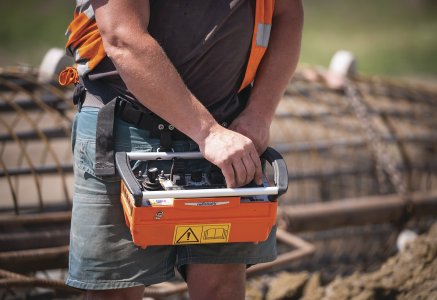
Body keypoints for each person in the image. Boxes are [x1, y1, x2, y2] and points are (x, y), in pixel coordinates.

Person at [62, 0, 303, 299]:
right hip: (125, 130)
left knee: (220, 288)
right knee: (114, 290)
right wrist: (208, 132)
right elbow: (123, 38)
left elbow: (287, 13)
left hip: (226, 137)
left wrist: (259, 114)